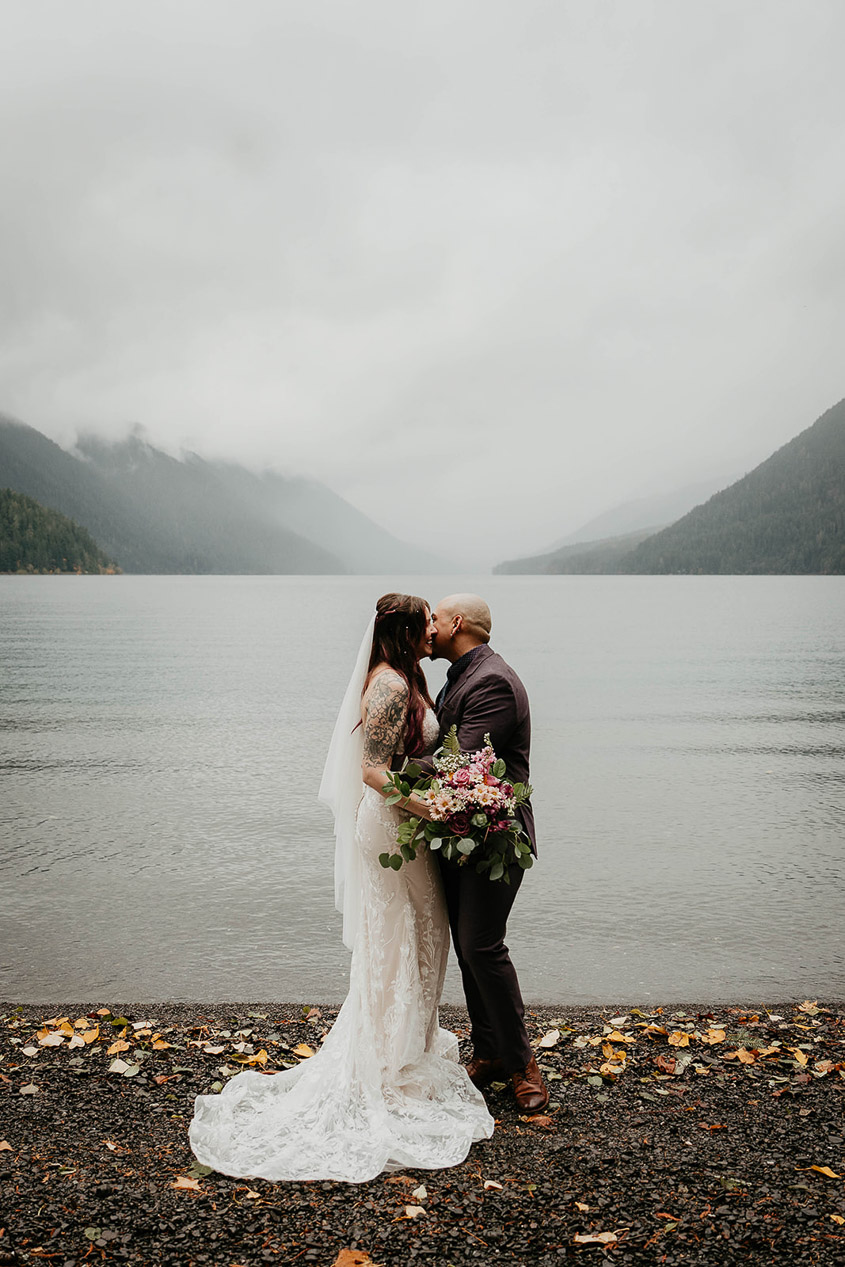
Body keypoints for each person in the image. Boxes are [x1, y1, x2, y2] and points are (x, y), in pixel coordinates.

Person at [188, 593, 493, 1182]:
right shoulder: (388, 686)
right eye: (425, 623)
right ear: (405, 632)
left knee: (424, 932)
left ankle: (410, 1047)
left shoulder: (409, 678)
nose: (434, 630)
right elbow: (372, 772)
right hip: (388, 825)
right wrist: (429, 808)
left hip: (405, 823)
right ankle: (388, 1059)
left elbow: (405, 758)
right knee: (397, 936)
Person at [429, 593, 549, 1112]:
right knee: (466, 944)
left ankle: (524, 1064)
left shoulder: (493, 682)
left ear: (457, 623)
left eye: (433, 618)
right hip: (462, 834)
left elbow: (460, 766)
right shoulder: (459, 676)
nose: (427, 627)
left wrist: (388, 774)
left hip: (495, 836)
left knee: (482, 945)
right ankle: (492, 1053)